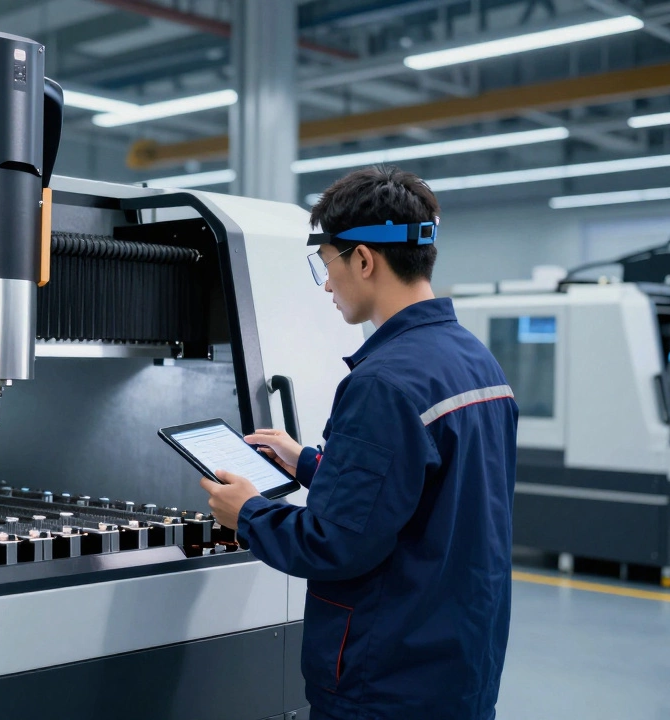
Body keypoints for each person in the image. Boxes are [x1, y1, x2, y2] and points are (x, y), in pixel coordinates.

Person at [200, 166, 517, 720]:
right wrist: (313, 465)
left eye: (326, 264)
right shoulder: (475, 361)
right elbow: (429, 496)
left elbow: (333, 544)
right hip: (460, 664)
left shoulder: (384, 382)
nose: (326, 284)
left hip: (386, 678)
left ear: (364, 260)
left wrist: (245, 513)